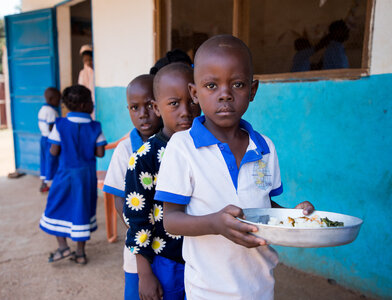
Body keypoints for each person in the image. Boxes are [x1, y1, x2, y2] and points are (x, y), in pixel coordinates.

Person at [154, 35, 315, 299]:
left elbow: (263, 205)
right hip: (208, 289)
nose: (225, 94)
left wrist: (294, 217)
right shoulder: (182, 148)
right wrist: (215, 224)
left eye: (237, 84)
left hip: (260, 286)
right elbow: (171, 220)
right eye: (211, 85)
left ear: (252, 90)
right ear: (195, 93)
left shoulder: (265, 147)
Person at [124, 62, 201, 300]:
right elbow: (137, 220)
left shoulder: (208, 149)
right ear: (157, 108)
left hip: (206, 257)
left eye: (192, 100)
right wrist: (144, 273)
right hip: (167, 260)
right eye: (174, 104)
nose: (185, 111)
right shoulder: (144, 158)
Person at [103, 74, 162, 299]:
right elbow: (119, 199)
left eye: (149, 105)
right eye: (134, 108)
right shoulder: (125, 150)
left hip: (172, 244)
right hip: (138, 246)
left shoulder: (175, 144)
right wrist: (136, 231)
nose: (142, 114)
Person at [39, 85, 107, 265]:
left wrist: (48, 176)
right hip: (86, 176)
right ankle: (80, 253)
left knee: (55, 207)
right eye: (91, 101)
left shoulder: (60, 124)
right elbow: (100, 153)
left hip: (65, 175)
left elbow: (53, 151)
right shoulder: (95, 126)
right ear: (85, 106)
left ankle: (63, 247)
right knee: (81, 210)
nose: (93, 104)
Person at [37, 87, 61, 192]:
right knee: (52, 160)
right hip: (50, 140)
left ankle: (44, 183)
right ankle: (53, 183)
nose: (59, 102)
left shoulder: (42, 109)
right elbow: (52, 128)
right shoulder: (52, 111)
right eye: (58, 99)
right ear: (51, 99)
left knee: (44, 160)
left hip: (43, 138)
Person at [78, 44, 95, 115]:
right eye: (85, 60)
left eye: (90, 60)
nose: (88, 62)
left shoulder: (97, 72)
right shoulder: (82, 73)